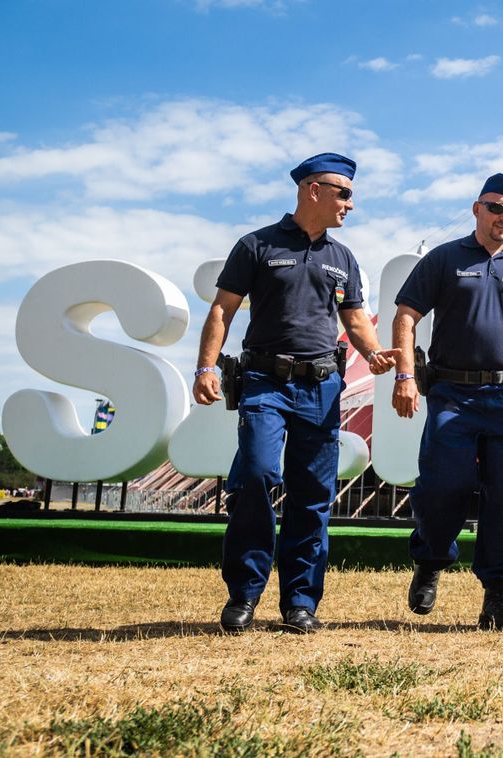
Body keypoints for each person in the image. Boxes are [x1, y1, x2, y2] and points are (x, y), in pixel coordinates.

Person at [193, 153, 397, 634]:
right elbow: (222, 310)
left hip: (323, 387)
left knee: (312, 496)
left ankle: (300, 603)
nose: (351, 203)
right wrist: (205, 366)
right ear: (313, 190)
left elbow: (353, 318)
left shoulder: (343, 257)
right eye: (344, 193)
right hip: (266, 382)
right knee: (259, 474)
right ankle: (244, 594)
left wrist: (372, 353)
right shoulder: (256, 245)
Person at [391, 173, 503, 630]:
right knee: (443, 485)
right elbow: (406, 315)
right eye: (496, 208)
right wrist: (405, 375)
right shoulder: (445, 258)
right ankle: (430, 560)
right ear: (476, 209)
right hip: (452, 396)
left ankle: (498, 598)